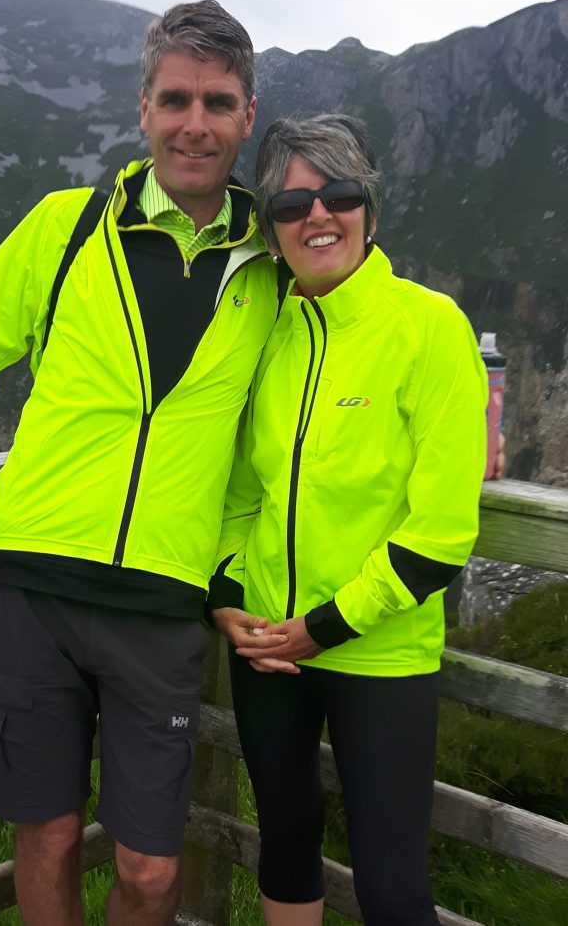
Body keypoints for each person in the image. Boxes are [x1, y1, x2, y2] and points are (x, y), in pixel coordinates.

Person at [0, 0, 287, 926]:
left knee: (146, 870)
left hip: (162, 604)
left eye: (218, 103)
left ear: (247, 116)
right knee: (46, 837)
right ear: (143, 109)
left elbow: (305, 416)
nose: (195, 124)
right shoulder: (65, 227)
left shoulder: (273, 264)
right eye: (176, 99)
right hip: (33, 587)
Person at [209, 115, 488, 926]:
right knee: (286, 840)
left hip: (380, 649)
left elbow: (440, 531)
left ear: (369, 206)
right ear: (271, 226)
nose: (318, 215)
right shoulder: (267, 331)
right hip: (266, 638)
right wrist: (224, 591)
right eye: (293, 204)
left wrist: (323, 627)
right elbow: (239, 492)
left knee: (391, 882)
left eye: (339, 194)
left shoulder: (429, 325)